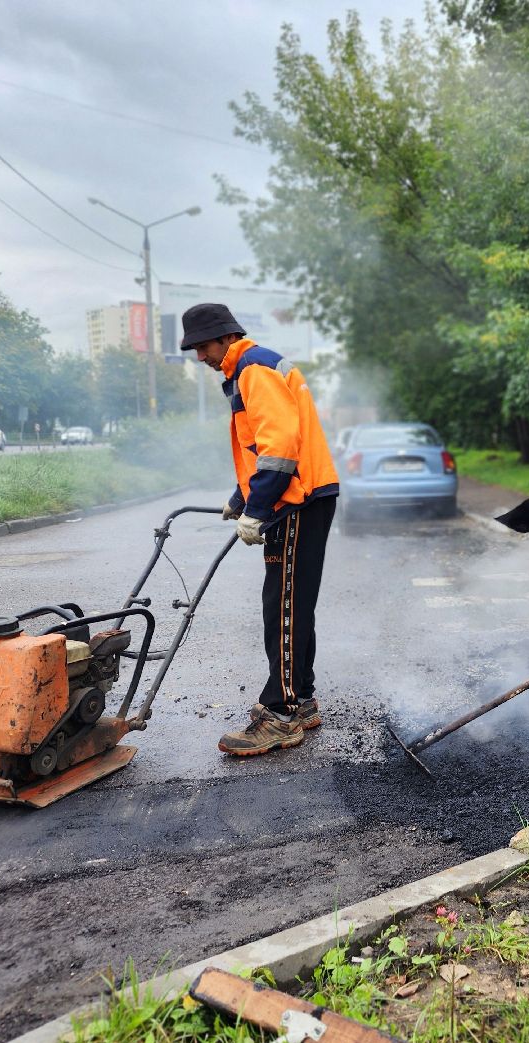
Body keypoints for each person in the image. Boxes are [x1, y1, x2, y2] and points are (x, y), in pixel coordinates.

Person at [182, 302, 341, 757]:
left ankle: (283, 713)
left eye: (202, 346)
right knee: (293, 604)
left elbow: (280, 448)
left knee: (283, 608)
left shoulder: (253, 369)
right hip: (303, 496)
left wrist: (258, 507)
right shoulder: (253, 367)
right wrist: (241, 499)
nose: (200, 357)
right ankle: (301, 699)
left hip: (298, 499)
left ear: (225, 337)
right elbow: (261, 448)